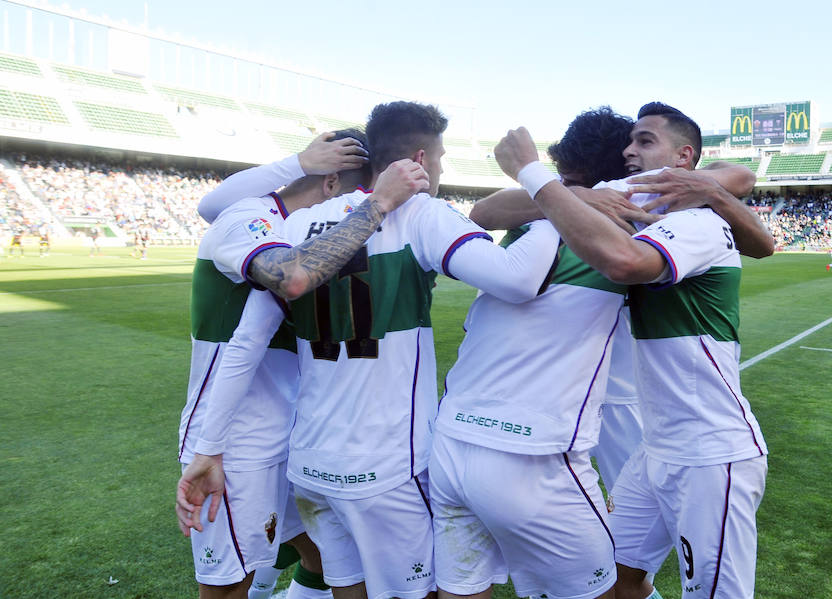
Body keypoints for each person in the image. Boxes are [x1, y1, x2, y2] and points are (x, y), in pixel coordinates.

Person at [178, 100, 561, 599]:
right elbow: (517, 280)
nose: (441, 169)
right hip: (386, 464)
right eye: (441, 158)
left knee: (346, 586)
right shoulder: (421, 213)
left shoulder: (293, 228)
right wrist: (557, 211)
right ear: (420, 160)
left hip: (312, 463)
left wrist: (207, 446)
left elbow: (245, 344)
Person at [437, 106, 770, 599]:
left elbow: (629, 258)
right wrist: (572, 193)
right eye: (629, 144)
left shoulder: (696, 218)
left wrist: (539, 176)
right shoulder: (632, 203)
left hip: (710, 447)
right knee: (619, 580)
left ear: (683, 158)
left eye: (645, 141)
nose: (633, 152)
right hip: (655, 444)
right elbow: (485, 213)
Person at [175, 131, 426, 599]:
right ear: (331, 183)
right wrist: (373, 203)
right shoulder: (248, 218)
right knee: (230, 583)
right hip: (235, 437)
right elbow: (285, 277)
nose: (351, 212)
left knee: (318, 552)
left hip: (293, 428)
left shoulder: (292, 228)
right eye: (353, 196)